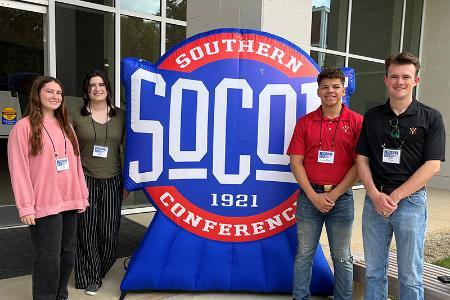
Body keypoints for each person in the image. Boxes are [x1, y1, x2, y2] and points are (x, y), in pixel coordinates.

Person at [356, 52, 445, 300]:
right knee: (374, 272)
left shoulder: (431, 117)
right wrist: (374, 194)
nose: (400, 81)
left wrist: (394, 196)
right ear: (385, 79)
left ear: (416, 80)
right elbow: (361, 159)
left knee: (410, 275)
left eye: (406, 76)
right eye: (394, 76)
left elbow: (432, 166)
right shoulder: (372, 116)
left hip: (411, 204)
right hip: (374, 203)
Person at [7, 75, 89, 300]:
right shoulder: (22, 128)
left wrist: (82, 195)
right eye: (49, 91)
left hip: (70, 200)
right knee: (48, 258)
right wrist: (26, 207)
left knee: (67, 255)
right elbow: (19, 170)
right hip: (44, 203)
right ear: (37, 94)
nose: (55, 96)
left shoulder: (67, 127)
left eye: (59, 93)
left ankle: (61, 295)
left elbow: (75, 165)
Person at [288, 67, 363, 300]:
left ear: (344, 89)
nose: (330, 91)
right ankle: (300, 297)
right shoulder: (305, 122)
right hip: (309, 197)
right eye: (325, 87)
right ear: (318, 91)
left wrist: (333, 195)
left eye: (336, 86)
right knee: (304, 254)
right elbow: (296, 162)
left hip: (341, 200)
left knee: (342, 255)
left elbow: (360, 164)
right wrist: (313, 195)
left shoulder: (358, 122)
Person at [71, 70, 126, 296]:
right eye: (92, 85)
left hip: (113, 179)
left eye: (101, 84)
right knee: (86, 231)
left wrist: (128, 182)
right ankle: (90, 276)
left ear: (108, 89)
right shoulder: (75, 115)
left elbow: (130, 149)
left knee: (109, 233)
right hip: (84, 178)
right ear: (86, 90)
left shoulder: (121, 116)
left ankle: (99, 268)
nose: (97, 88)